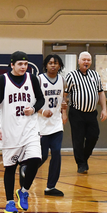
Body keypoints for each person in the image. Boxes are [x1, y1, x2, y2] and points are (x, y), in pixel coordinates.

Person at [0, 51, 45, 213]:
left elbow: (41, 99)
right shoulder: (2, 80)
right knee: (10, 168)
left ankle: (24, 191)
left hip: (29, 128)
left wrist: (34, 108)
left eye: (26, 64)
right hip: (9, 130)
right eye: (20, 64)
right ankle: (9, 202)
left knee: (36, 159)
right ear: (12, 65)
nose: (23, 67)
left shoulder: (32, 79)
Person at [64, 51, 107, 174]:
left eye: (88, 60)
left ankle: (83, 158)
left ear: (91, 62)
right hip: (76, 113)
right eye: (84, 60)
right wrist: (64, 112)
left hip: (91, 113)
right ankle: (81, 164)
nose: (86, 62)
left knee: (94, 136)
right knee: (78, 139)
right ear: (79, 61)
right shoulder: (71, 76)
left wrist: (104, 109)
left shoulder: (95, 75)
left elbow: (101, 92)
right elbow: (65, 95)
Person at [37, 54, 67, 197]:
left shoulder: (62, 80)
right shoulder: (39, 79)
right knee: (42, 156)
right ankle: (26, 169)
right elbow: (31, 102)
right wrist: (42, 111)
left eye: (55, 63)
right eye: (50, 63)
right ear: (46, 65)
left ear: (59, 66)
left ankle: (51, 187)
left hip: (56, 123)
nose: (53, 65)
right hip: (41, 123)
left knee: (56, 153)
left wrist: (64, 112)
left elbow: (63, 99)